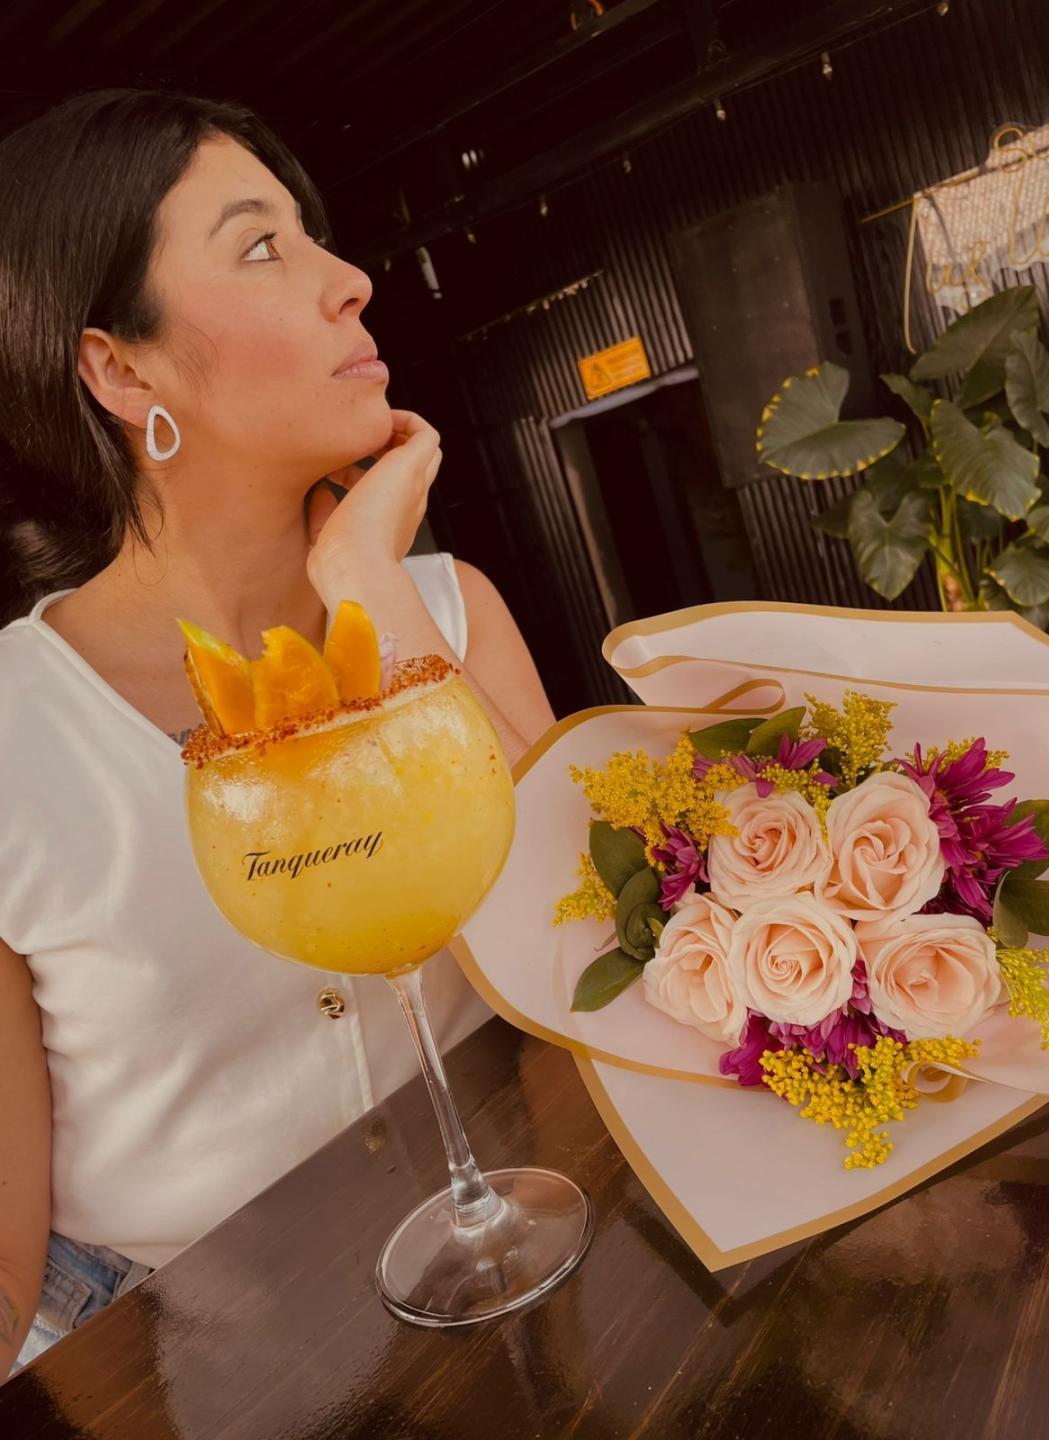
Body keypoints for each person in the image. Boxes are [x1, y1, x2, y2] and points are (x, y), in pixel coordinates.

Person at [0, 87, 556, 1378]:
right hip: (198, 1363)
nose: (350, 280)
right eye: (261, 245)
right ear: (121, 371)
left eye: (313, 236)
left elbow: (592, 953)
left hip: (523, 1270)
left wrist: (369, 583)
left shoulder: (446, 612)